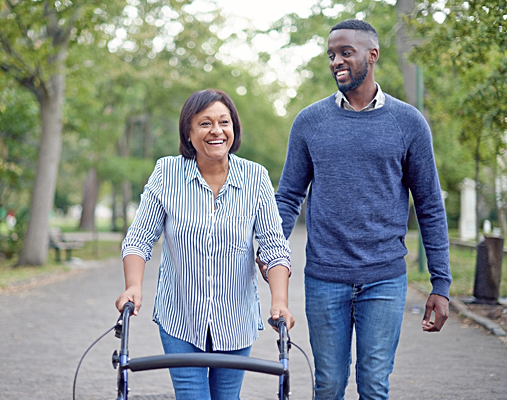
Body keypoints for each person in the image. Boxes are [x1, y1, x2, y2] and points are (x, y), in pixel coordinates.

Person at [273, 19, 452, 399]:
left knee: (373, 385)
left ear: (372, 55)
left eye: (345, 53)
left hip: (385, 278)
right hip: (324, 277)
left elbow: (430, 206)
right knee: (329, 385)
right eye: (331, 55)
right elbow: (288, 196)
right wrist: (270, 253)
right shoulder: (309, 121)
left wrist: (441, 284)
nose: (336, 61)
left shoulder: (408, 123)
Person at [115, 89, 294, 400]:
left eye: (224, 122)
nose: (216, 131)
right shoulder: (167, 173)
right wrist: (133, 286)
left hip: (235, 319)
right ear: (189, 131)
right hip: (180, 316)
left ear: (234, 129)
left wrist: (279, 302)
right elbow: (140, 237)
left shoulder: (256, 178)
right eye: (205, 123)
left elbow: (274, 247)